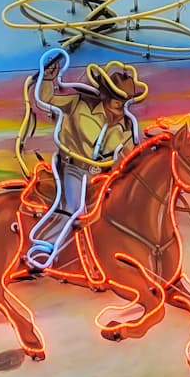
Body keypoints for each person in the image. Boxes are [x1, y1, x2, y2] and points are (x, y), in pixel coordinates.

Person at [22, 49, 148, 270]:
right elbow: (47, 99)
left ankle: (97, 256)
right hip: (72, 166)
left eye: (124, 100)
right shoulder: (80, 103)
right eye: (117, 99)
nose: (120, 106)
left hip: (101, 174)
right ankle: (43, 248)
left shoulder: (127, 125)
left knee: (108, 211)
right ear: (106, 95)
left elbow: (132, 156)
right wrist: (49, 79)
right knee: (73, 206)